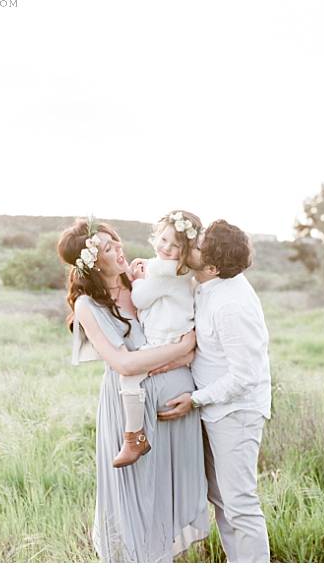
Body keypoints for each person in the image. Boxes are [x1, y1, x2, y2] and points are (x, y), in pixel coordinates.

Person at [58, 217, 208, 563]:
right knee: (137, 498)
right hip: (131, 414)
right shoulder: (87, 305)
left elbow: (188, 323)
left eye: (116, 242)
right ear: (93, 261)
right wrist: (183, 346)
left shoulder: (139, 280)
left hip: (175, 412)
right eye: (109, 248)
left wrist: (187, 346)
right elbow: (123, 364)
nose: (119, 250)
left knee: (162, 498)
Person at [162, 219, 272, 562]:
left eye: (197, 245)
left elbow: (245, 376)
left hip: (235, 413)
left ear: (211, 266)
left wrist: (195, 399)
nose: (190, 244)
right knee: (222, 500)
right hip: (215, 408)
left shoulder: (232, 305)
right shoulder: (208, 285)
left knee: (240, 504)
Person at [113, 210, 201, 467]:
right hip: (170, 334)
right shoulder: (172, 269)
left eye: (176, 246)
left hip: (166, 339)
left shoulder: (167, 272)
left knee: (129, 375)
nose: (167, 248)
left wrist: (138, 279)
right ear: (156, 235)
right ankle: (134, 438)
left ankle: (134, 438)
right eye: (163, 240)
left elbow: (139, 298)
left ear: (185, 251)